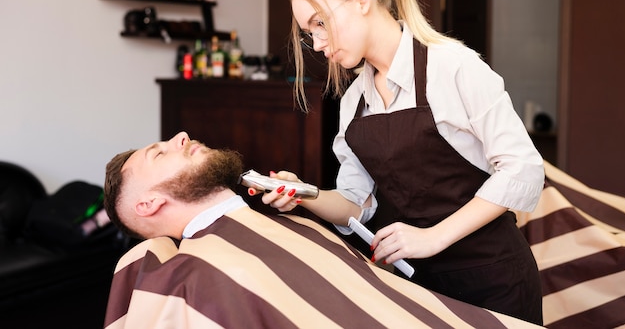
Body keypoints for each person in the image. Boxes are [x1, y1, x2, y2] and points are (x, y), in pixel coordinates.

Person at [251, 0, 545, 325]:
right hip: (418, 288)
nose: (319, 44)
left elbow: (523, 170)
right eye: (311, 34)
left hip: (494, 281)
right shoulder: (355, 100)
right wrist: (305, 195)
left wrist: (432, 237)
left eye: (320, 23)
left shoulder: (453, 66)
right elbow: (357, 204)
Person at [101, 132, 540, 329]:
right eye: (159, 154)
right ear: (149, 204)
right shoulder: (198, 276)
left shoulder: (287, 219)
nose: (180, 136)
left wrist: (306, 195)